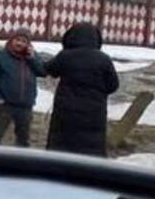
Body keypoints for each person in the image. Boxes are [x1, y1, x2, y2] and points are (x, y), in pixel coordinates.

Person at [45, 22, 120, 157]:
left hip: (65, 110)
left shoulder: (65, 56)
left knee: (62, 146)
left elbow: (49, 70)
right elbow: (113, 85)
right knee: (91, 148)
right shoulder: (103, 59)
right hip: (94, 112)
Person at [0, 27, 47, 147]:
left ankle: (21, 163)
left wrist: (32, 58)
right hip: (5, 105)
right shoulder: (0, 56)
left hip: (25, 106)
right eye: (17, 40)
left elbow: (42, 72)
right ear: (11, 40)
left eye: (24, 41)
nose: (20, 43)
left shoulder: (32, 57)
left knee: (23, 140)